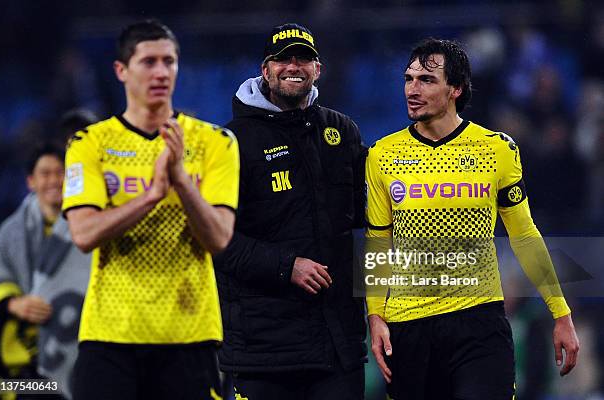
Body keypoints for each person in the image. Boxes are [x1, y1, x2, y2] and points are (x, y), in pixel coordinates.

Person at [365, 38, 580, 400]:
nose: (412, 89)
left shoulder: (497, 149)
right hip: (409, 327)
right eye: (408, 79)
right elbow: (378, 241)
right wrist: (375, 317)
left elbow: (524, 235)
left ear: (456, 89)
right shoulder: (382, 154)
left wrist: (561, 313)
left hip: (479, 322)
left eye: (426, 80)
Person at [62, 19, 239, 400]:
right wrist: (151, 195)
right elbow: (84, 234)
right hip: (110, 336)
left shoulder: (215, 142)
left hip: (190, 334)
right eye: (149, 62)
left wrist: (179, 180)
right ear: (121, 71)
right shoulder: (89, 143)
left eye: (169, 61)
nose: (161, 72)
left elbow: (219, 237)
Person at [213, 23, 368, 400]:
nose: (293, 66)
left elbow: (370, 223)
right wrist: (286, 266)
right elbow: (217, 241)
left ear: (318, 69)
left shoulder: (342, 131)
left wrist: (381, 310)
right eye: (282, 60)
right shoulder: (231, 142)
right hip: (262, 352)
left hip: (337, 347)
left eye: (304, 58)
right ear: (265, 71)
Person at [0, 139, 91, 400]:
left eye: (61, 173)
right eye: (45, 174)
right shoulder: (11, 232)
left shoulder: (92, 226)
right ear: (30, 182)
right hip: (20, 362)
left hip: (80, 355)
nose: (54, 181)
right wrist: (11, 303)